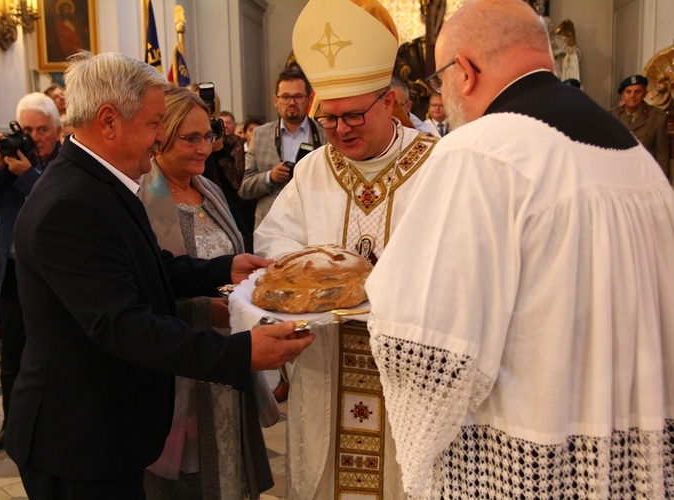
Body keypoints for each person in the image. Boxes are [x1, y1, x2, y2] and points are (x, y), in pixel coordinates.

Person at [365, 0, 674, 497]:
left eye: (440, 79)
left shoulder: (480, 150)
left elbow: (425, 343)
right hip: (629, 464)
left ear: (463, 71)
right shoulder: (633, 154)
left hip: (527, 468)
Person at [4, 51, 313, 498]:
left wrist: (221, 267)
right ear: (109, 121)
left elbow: (144, 266)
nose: (159, 137)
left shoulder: (101, 182)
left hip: (105, 431)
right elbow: (122, 325)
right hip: (79, 441)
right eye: (153, 123)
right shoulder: (70, 204)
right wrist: (240, 352)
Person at [254, 1, 437, 497]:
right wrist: (318, 273)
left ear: (389, 102)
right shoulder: (314, 168)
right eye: (329, 120)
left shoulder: (438, 166)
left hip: (405, 368)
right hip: (327, 361)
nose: (341, 131)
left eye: (353, 115)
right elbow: (275, 242)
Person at [140, 87, 272, 499]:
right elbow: (146, 287)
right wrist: (204, 312)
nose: (206, 147)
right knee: (189, 479)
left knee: (231, 460)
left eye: (209, 134)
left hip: (226, 351)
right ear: (161, 137)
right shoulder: (144, 198)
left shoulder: (207, 189)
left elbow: (227, 255)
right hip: (179, 359)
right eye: (191, 138)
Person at [0, 92, 61, 453]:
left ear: (57, 131)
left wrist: (30, 176)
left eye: (42, 129)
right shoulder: (10, 162)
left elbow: (56, 206)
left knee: (52, 353)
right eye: (27, 129)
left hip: (50, 274)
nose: (35, 136)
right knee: (12, 354)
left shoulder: (64, 164)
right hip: (11, 271)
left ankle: (52, 426)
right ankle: (13, 426)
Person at [238, 68, 327, 230]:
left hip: (315, 223)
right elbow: (242, 187)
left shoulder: (326, 134)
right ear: (275, 100)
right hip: (270, 226)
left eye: (298, 96)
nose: (292, 102)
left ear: (309, 99)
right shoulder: (260, 135)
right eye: (285, 97)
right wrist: (269, 177)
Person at [189, 83, 257, 254]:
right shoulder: (188, 142)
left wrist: (218, 147)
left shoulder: (231, 142)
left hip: (227, 208)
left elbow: (235, 183)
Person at [611, 74, 670, 179]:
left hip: (644, 178)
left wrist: (663, 188)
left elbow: (662, 159)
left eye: (637, 92)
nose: (632, 96)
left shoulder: (657, 118)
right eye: (628, 92)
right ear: (622, 95)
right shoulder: (611, 116)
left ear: (645, 94)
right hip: (617, 177)